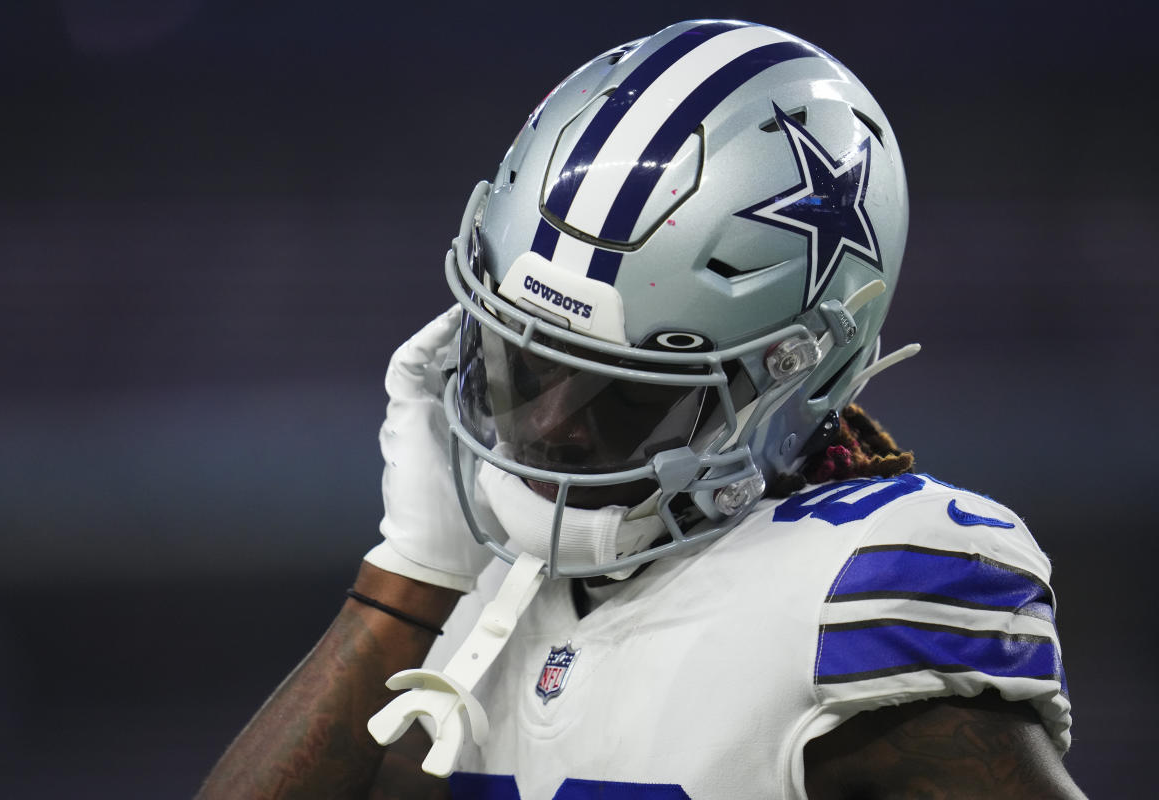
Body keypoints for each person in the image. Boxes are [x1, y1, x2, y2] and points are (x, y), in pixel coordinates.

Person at [199, 20, 1086, 799]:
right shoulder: (476, 603)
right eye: (524, 364)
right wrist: (400, 589)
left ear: (796, 372)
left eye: (627, 396)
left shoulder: (862, 591)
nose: (549, 428)